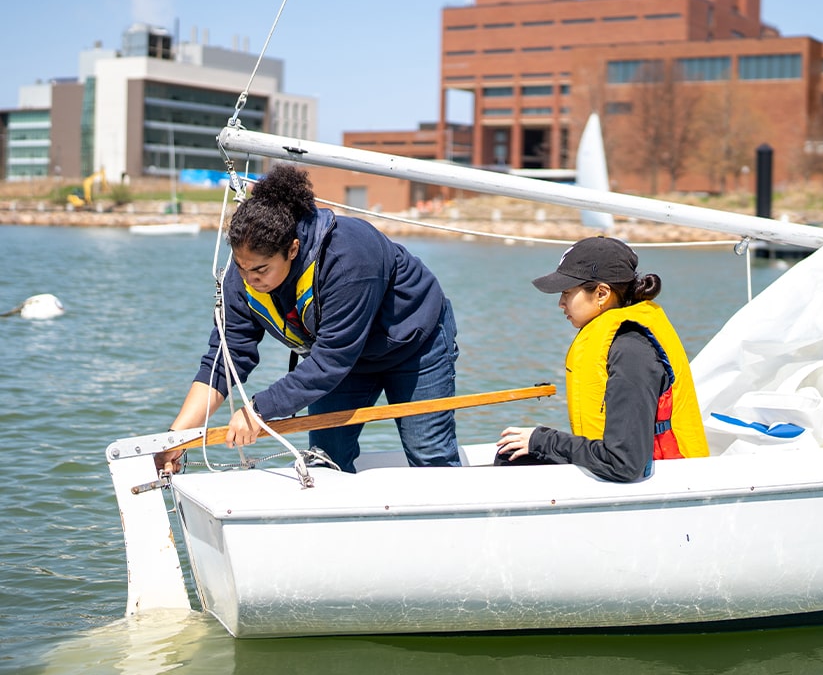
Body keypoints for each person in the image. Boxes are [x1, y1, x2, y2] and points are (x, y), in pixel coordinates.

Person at [156, 164, 460, 474]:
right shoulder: (243, 276)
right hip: (346, 363)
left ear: (292, 249)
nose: (249, 280)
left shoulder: (349, 257)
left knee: (431, 460)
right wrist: (177, 436)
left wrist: (258, 411)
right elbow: (224, 360)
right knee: (324, 461)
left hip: (415, 346)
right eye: (242, 267)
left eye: (260, 271)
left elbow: (331, 361)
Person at [495, 236, 708, 481]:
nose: (560, 303)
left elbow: (624, 463)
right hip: (623, 467)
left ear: (601, 293)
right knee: (512, 455)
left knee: (514, 458)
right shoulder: (619, 339)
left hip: (666, 480)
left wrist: (543, 439)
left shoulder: (631, 351)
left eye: (567, 292)